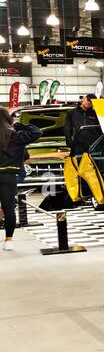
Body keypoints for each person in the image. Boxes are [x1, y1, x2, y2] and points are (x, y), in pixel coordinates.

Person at [0, 108, 41, 252]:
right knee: (8, 208)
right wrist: (20, 125)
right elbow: (37, 132)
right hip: (9, 176)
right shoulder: (15, 136)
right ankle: (8, 240)